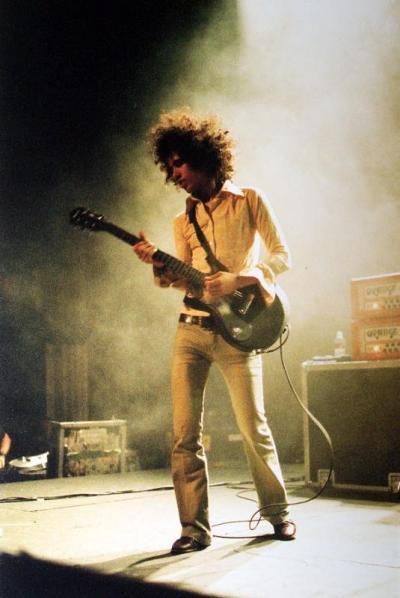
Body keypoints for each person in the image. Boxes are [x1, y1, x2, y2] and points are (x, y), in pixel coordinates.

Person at [133, 108, 296, 554]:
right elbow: (185, 282)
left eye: (179, 163)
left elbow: (282, 257)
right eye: (169, 167)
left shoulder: (250, 200)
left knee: (253, 426)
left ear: (205, 157)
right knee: (184, 434)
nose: (175, 174)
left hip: (237, 332)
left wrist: (240, 279)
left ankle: (278, 514)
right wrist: (158, 266)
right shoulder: (182, 220)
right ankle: (193, 529)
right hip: (190, 331)